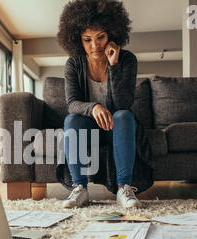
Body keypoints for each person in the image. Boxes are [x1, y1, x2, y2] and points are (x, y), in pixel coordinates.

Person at [57, 0, 142, 209]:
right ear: (78, 40)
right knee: (72, 120)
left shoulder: (127, 59)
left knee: (124, 115)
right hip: (88, 126)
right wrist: (93, 107)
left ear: (112, 35)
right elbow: (72, 103)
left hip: (117, 126)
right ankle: (79, 188)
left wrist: (113, 66)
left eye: (100, 37)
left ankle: (124, 189)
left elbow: (124, 103)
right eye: (87, 40)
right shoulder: (74, 64)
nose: (94, 46)